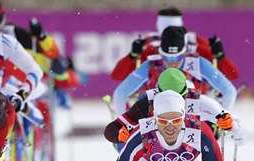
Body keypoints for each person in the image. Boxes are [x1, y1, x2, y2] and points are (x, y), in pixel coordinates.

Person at [112, 26, 237, 116]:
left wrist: (223, 122)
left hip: (195, 122)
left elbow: (229, 90)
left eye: (176, 57)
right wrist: (122, 125)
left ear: (184, 53)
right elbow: (120, 93)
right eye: (166, 57)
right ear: (160, 53)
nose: (171, 63)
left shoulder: (198, 64)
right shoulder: (151, 65)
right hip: (157, 124)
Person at [105, 68, 245, 146]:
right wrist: (119, 135)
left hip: (189, 160)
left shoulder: (199, 101)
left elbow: (239, 132)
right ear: (157, 93)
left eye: (179, 98)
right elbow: (112, 129)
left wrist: (231, 125)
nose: (172, 103)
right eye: (165, 99)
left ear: (187, 93)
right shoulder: (147, 103)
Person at [111, 7, 239, 81]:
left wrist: (220, 56)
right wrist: (132, 55)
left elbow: (231, 75)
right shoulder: (149, 46)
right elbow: (118, 76)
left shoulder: (196, 43)